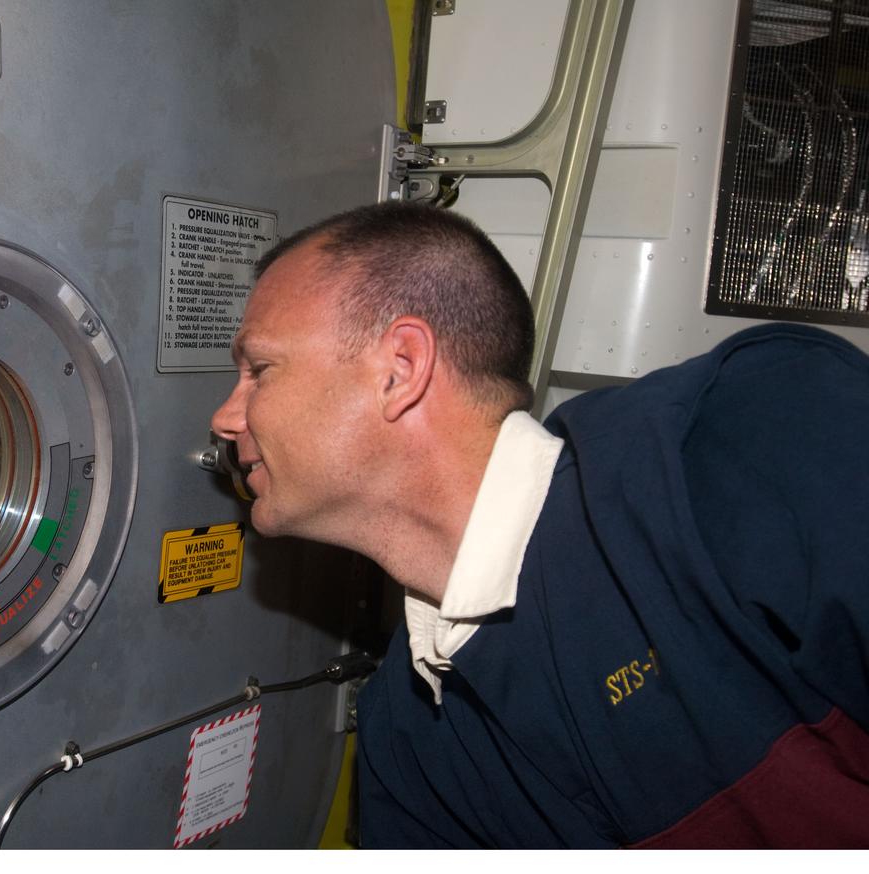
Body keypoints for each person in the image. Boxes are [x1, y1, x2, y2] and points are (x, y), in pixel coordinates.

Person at [210, 201, 869, 848]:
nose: (226, 417)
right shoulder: (409, 740)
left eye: (258, 371)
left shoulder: (744, 441)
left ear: (401, 369)